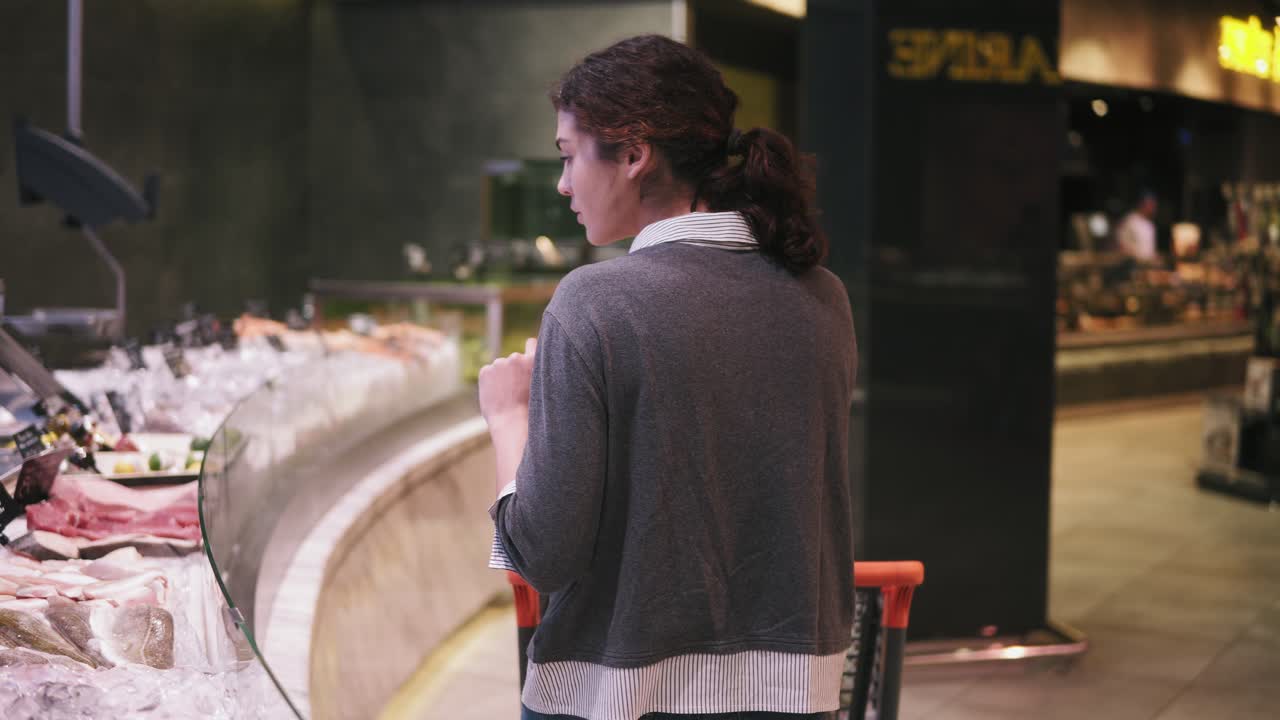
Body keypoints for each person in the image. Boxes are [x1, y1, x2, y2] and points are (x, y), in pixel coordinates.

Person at [478, 34, 857, 720]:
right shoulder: (824, 296)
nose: (563, 184)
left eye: (569, 156)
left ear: (632, 153)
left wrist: (509, 417)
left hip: (618, 697)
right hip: (798, 694)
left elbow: (544, 555)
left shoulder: (594, 303)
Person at [1115, 190, 1158, 262]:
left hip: (1148, 265)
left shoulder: (1150, 225)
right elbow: (1120, 243)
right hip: (1132, 265)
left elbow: (1149, 250)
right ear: (1142, 204)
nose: (1153, 208)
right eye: (1150, 204)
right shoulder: (1129, 221)